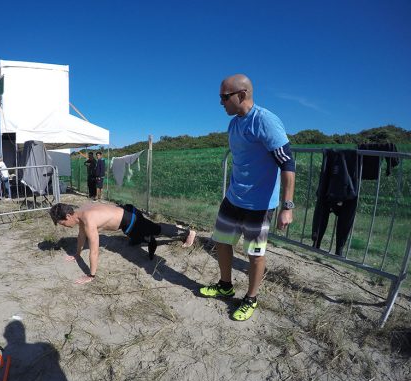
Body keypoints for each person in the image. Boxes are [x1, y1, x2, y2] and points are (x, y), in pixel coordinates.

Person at [199, 74, 296, 321]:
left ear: (241, 95)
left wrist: (287, 206)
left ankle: (250, 298)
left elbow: (288, 164)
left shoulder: (264, 121)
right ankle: (225, 285)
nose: (221, 102)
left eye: (224, 96)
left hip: (259, 204)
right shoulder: (234, 124)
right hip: (233, 198)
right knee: (221, 242)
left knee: (254, 254)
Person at [49, 202, 196, 284]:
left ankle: (188, 233)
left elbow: (94, 251)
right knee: (140, 237)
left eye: (61, 223)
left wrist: (91, 275)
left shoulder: (88, 220)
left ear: (68, 216)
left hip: (131, 220)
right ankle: (170, 232)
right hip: (127, 215)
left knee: (156, 229)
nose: (62, 226)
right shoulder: (80, 212)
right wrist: (77, 254)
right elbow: (81, 236)